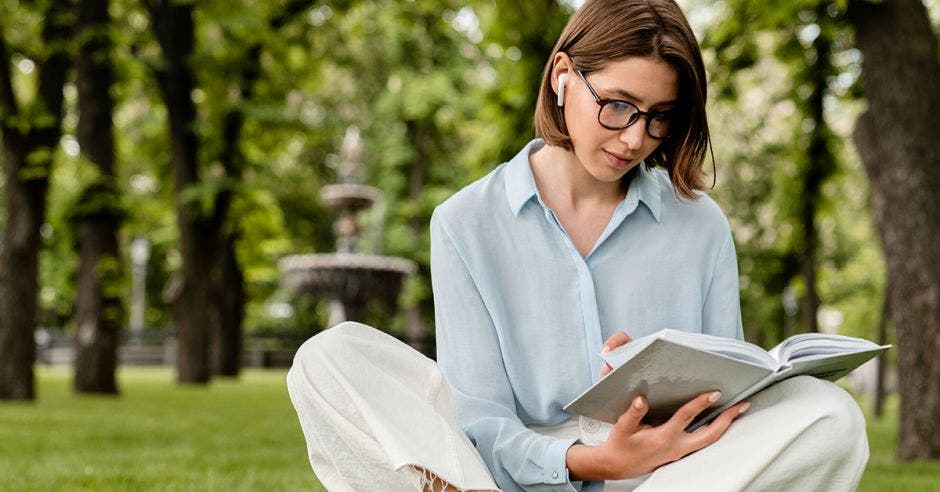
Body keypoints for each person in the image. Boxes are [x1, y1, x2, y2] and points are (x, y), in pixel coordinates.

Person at [286, 1, 870, 490]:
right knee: (329, 359)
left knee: (831, 416)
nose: (636, 137)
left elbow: (725, 400)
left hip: (665, 478)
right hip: (501, 478)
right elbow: (480, 419)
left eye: (660, 117)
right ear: (563, 74)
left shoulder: (699, 225)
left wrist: (659, 395)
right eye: (617, 105)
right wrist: (586, 459)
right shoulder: (465, 221)